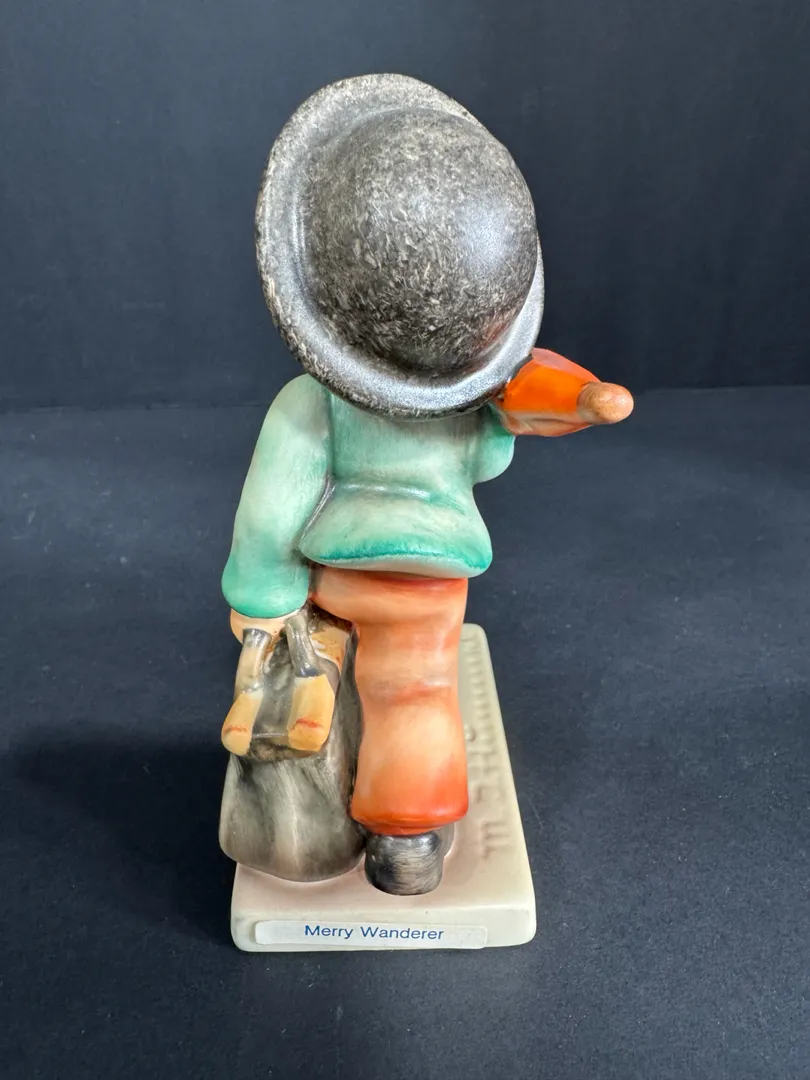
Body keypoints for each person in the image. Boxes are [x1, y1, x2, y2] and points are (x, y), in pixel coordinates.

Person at [221, 75, 632, 895]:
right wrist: (585, 400)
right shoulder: (478, 400)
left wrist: (262, 597)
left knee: (332, 665)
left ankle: (331, 723)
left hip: (339, 570)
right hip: (430, 579)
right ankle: (405, 835)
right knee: (415, 691)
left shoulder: (310, 404)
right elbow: (510, 428)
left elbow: (271, 507)